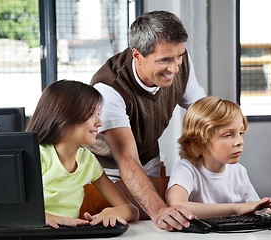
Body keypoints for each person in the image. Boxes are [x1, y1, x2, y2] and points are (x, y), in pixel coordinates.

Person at [87, 10, 205, 231]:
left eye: (179, 55)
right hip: (107, 169)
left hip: (148, 156)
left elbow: (202, 111)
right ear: (137, 55)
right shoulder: (110, 88)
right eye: (166, 60)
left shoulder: (180, 62)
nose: (175, 67)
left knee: (151, 227)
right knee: (130, 224)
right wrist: (159, 210)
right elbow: (126, 158)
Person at [26, 80, 139, 229]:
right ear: (64, 116)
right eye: (92, 114)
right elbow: (8, 212)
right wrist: (46, 218)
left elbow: (132, 210)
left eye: (98, 114)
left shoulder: (87, 160)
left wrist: (112, 211)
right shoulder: (37, 155)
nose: (99, 122)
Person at [166, 96, 271, 219]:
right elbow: (176, 205)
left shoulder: (239, 171)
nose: (240, 142)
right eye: (228, 135)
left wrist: (268, 212)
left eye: (241, 133)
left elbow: (252, 209)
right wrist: (236, 209)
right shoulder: (186, 169)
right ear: (200, 139)